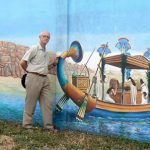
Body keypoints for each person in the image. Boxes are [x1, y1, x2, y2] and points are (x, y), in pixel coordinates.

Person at [20, 31, 58, 130]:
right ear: (39, 37)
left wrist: (54, 64)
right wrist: (29, 72)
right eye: (44, 36)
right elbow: (22, 62)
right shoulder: (34, 49)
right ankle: (27, 126)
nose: (46, 38)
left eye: (48, 37)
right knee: (30, 103)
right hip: (33, 77)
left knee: (47, 104)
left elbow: (45, 68)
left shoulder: (46, 52)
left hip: (45, 78)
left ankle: (48, 127)